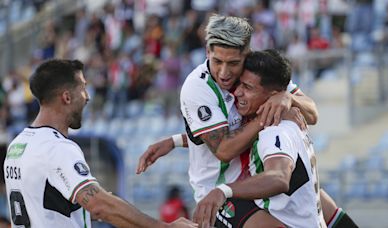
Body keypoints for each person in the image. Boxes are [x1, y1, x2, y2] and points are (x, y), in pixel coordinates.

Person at [137, 14, 320, 227]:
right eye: (217, 61)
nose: (224, 73)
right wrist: (267, 113)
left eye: (233, 63)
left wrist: (288, 98)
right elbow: (223, 149)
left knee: (321, 205)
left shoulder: (255, 73)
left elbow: (312, 113)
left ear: (247, 54)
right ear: (208, 52)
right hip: (220, 193)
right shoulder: (198, 88)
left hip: (255, 181)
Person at [3, 59, 197, 228]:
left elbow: (48, 207)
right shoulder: (57, 148)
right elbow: (99, 205)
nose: (87, 96)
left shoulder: (18, 145)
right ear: (67, 97)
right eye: (83, 87)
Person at [194, 50, 358, 228]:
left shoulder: (274, 131)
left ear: (274, 95)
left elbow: (278, 177)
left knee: (227, 208)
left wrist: (223, 191)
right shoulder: (280, 119)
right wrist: (175, 141)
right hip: (305, 215)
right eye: (239, 85)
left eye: (248, 88)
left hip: (295, 221)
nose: (237, 93)